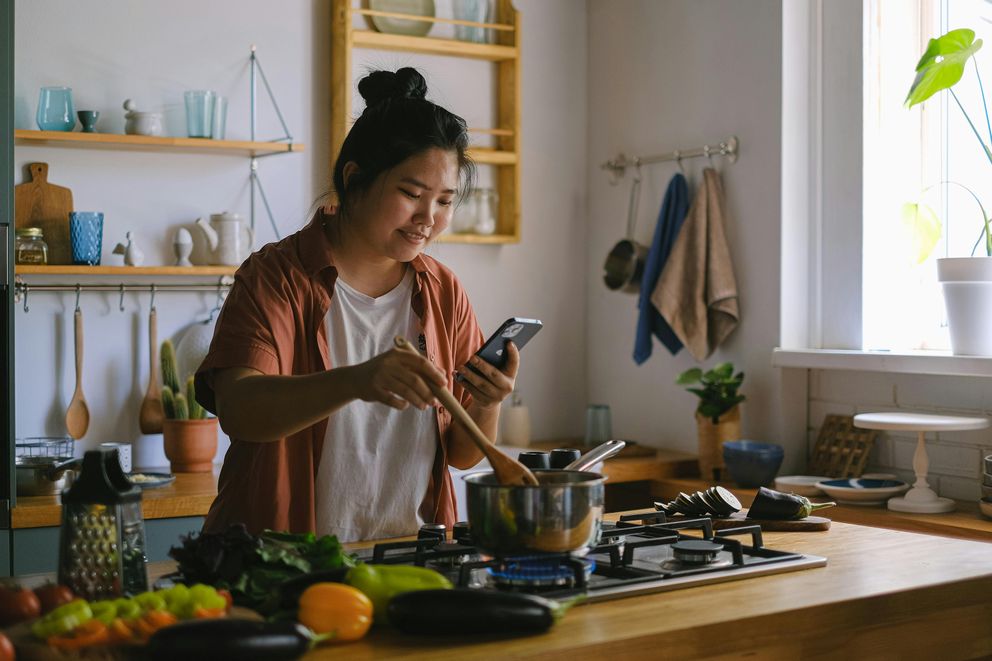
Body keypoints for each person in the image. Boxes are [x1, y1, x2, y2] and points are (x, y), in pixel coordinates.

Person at [194, 67, 519, 541]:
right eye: (411, 194)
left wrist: (487, 405)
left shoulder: (443, 291)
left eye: (445, 201)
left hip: (409, 559)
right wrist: (359, 380)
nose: (428, 218)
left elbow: (462, 455)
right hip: (283, 564)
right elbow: (240, 411)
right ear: (354, 179)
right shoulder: (276, 277)